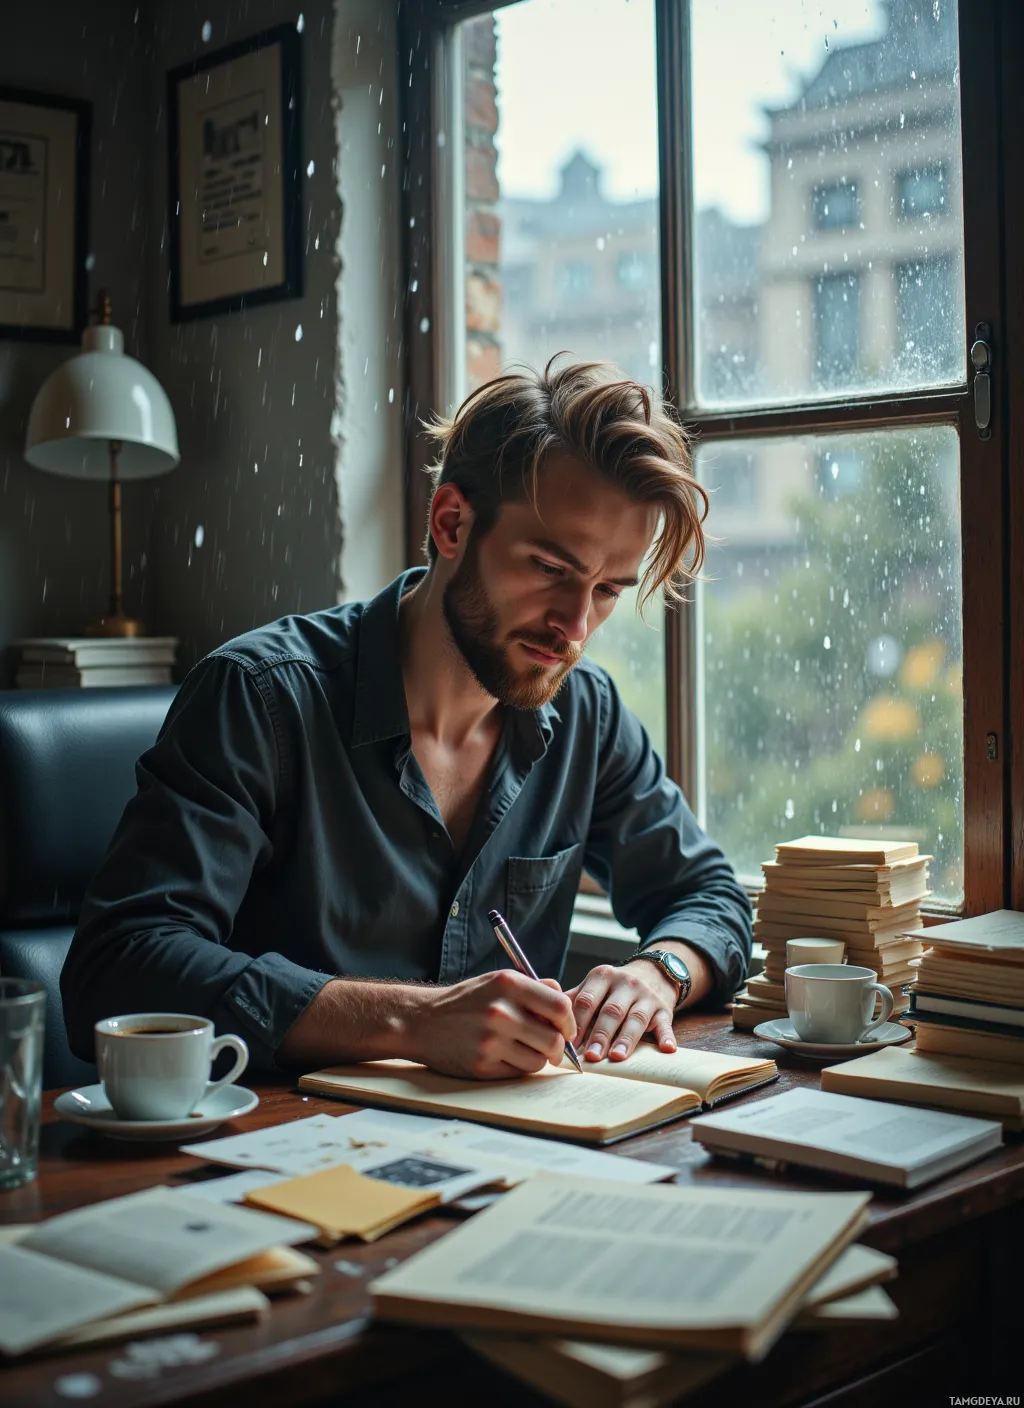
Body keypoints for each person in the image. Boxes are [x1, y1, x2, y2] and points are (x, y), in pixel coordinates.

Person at [62, 360, 752, 1078]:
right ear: (451, 522)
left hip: (512, 1157)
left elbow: (709, 895)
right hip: (276, 1154)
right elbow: (116, 970)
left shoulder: (588, 715)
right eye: (550, 568)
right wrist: (411, 1021)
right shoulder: (258, 698)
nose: (575, 627)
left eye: (607, 590)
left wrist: (660, 971)